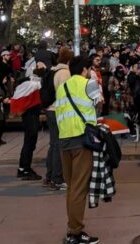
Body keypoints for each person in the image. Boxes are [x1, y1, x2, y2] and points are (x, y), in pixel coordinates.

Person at [56, 56, 102, 244]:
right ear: (84, 69)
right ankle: (75, 232)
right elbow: (99, 104)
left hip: (64, 139)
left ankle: (72, 229)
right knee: (78, 188)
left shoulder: (62, 87)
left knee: (71, 188)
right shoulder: (88, 83)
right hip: (82, 140)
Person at [46, 47, 73, 191]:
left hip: (50, 109)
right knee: (58, 145)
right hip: (58, 111)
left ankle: (49, 175)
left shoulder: (53, 70)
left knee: (53, 144)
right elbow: (66, 94)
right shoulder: (65, 73)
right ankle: (57, 178)